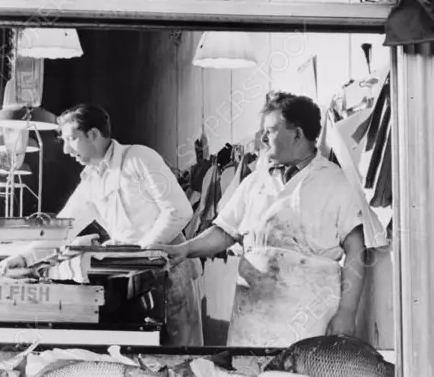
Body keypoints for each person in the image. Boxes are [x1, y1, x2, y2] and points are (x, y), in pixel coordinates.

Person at [153, 92, 376, 348]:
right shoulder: (254, 182)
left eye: (271, 130)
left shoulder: (336, 182)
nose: (263, 138)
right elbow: (225, 232)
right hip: (251, 320)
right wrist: (185, 249)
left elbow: (357, 250)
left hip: (307, 320)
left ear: (297, 134)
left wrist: (347, 312)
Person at [0, 105, 202, 348]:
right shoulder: (91, 179)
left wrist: (142, 256)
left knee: (180, 348)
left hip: (170, 265)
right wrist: (24, 256)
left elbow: (179, 211)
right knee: (149, 352)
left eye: (71, 139)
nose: (65, 149)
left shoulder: (138, 158)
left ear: (93, 134)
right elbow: (65, 227)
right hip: (133, 273)